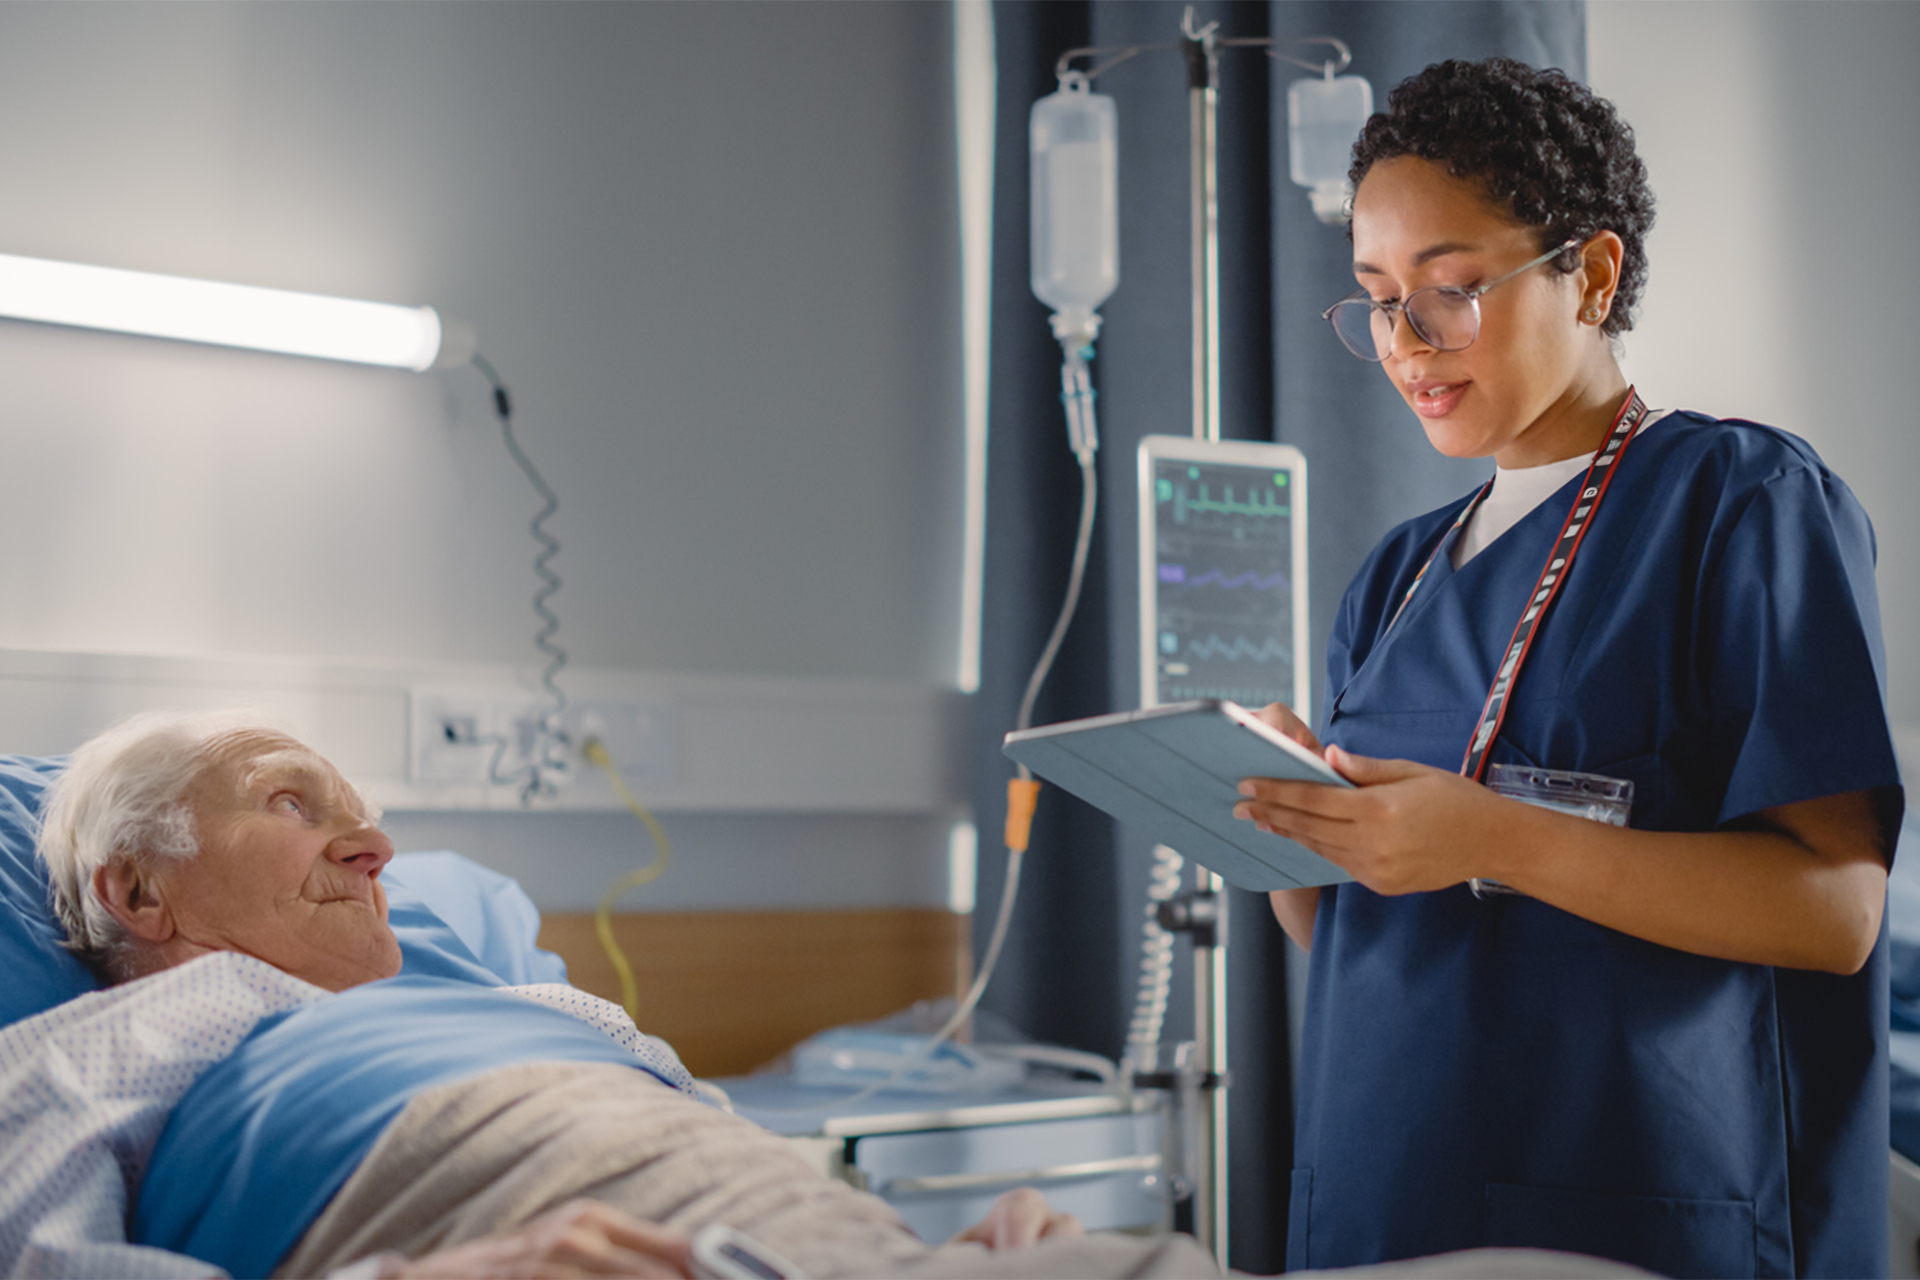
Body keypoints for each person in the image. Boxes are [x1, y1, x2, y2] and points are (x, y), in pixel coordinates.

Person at [1230, 58, 1900, 1278]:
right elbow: (1369, 941)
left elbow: (1838, 911)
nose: (1406, 342)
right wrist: (1289, 832)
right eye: (1378, 298)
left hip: (1635, 1211)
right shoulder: (1396, 578)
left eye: (1450, 289)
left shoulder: (1742, 503)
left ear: (1588, 274)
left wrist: (1494, 836)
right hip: (1385, 1198)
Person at [24, 709, 1185, 1280]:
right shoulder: (106, 1047)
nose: (372, 842)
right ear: (136, 886)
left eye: (360, 811)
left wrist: (939, 1240)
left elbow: (743, 1175)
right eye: (290, 804)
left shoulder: (553, 1010)